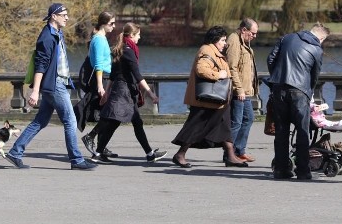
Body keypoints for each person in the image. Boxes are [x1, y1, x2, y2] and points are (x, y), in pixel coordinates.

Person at [5, 3, 97, 170]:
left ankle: (15, 152)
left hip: (57, 82)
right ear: (54, 16)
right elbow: (41, 65)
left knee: (40, 121)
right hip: (54, 84)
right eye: (64, 14)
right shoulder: (47, 37)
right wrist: (35, 91)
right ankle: (76, 160)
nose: (67, 17)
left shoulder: (57, 33)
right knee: (70, 120)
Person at [92, 23, 167, 163]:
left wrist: (107, 93)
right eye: (138, 35)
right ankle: (97, 153)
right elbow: (137, 75)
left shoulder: (120, 49)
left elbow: (113, 75)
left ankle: (149, 154)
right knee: (117, 122)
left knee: (131, 122)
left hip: (121, 91)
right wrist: (151, 94)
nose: (140, 37)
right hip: (124, 92)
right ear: (131, 36)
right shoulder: (128, 51)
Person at [171, 26, 245, 168]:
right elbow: (201, 69)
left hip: (217, 101)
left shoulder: (213, 50)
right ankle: (180, 154)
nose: (225, 43)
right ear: (215, 40)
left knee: (225, 127)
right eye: (223, 40)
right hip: (208, 101)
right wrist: (219, 75)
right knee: (196, 127)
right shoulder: (206, 50)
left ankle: (230, 155)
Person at [267, 22, 330, 180]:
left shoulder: (286, 38)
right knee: (302, 131)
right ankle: (303, 170)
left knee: (281, 130)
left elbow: (270, 59)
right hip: (300, 90)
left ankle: (281, 170)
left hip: (279, 88)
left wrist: (277, 78)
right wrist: (308, 92)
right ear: (321, 38)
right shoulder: (316, 49)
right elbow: (315, 75)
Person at [81, 11, 118, 156]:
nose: (114, 27)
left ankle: (101, 146)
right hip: (101, 80)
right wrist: (101, 86)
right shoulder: (99, 40)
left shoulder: (101, 38)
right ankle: (93, 139)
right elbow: (98, 65)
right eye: (111, 24)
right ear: (103, 24)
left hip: (106, 78)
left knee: (106, 114)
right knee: (109, 114)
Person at [225, 18, 259, 163]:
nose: (254, 36)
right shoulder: (234, 41)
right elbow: (232, 67)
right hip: (238, 91)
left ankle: (239, 151)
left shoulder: (244, 42)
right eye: (253, 33)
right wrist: (239, 90)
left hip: (245, 91)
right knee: (237, 122)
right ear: (244, 30)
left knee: (248, 118)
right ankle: (229, 155)